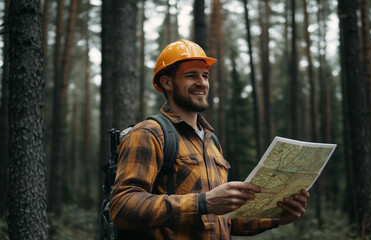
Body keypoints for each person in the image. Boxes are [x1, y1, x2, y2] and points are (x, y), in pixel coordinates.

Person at [110, 39, 310, 239]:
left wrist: (276, 217)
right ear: (167, 82)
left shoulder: (211, 141)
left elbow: (224, 220)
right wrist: (203, 203)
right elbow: (122, 207)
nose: (202, 83)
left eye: (205, 76)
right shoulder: (149, 134)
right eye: (191, 76)